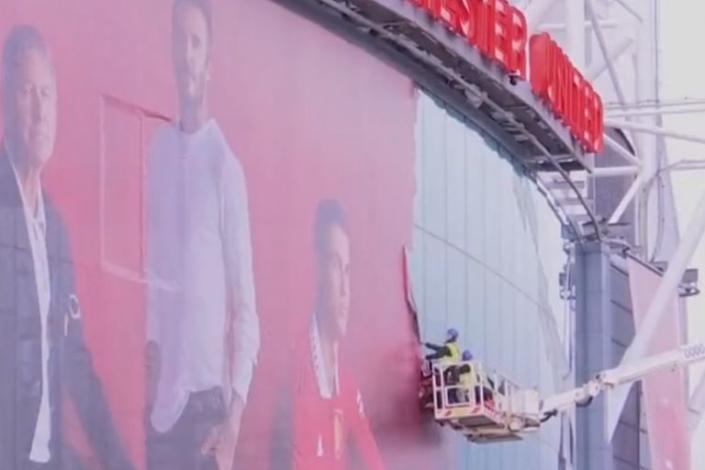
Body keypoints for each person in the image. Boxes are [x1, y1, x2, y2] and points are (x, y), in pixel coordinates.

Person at [0, 25, 134, 470]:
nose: (39, 111)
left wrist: (120, 461)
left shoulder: (55, 229)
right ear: (5, 102)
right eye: (26, 93)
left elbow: (74, 361)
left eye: (47, 94)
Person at [145, 1, 260, 469]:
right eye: (180, 40)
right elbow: (152, 270)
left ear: (209, 63)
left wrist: (232, 423)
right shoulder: (157, 152)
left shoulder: (224, 167)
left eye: (196, 43)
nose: (187, 55)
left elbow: (247, 311)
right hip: (161, 413)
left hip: (206, 415)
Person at [291, 200, 384, 469]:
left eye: (348, 270)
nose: (345, 289)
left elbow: (371, 457)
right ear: (317, 268)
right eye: (334, 265)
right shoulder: (293, 364)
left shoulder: (346, 383)